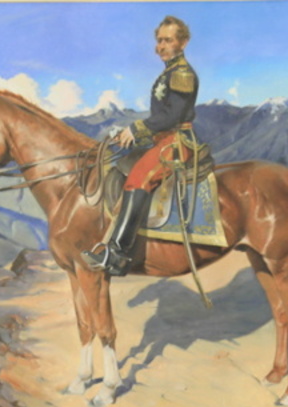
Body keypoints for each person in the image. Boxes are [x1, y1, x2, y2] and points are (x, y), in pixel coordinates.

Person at [82, 15, 200, 277]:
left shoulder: (182, 74)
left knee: (138, 178)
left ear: (183, 43)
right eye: (159, 41)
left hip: (178, 142)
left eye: (167, 40)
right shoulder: (169, 72)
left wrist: (136, 129)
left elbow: (173, 117)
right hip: (162, 139)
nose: (161, 46)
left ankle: (119, 254)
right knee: (120, 164)